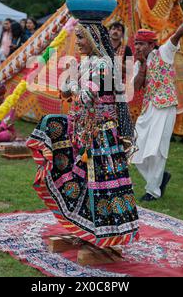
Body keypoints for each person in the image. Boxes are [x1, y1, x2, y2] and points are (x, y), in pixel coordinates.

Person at [27, 22, 139, 248]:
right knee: (53, 128)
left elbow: (87, 96)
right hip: (84, 131)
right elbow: (67, 92)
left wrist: (73, 84)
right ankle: (85, 227)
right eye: (76, 37)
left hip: (101, 133)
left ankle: (105, 234)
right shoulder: (85, 63)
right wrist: (70, 84)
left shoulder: (104, 65)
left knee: (101, 186)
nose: (76, 42)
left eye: (80, 38)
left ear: (93, 39)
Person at [132, 7, 183, 202]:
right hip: (148, 108)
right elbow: (136, 87)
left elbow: (176, 36)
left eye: (141, 44)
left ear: (151, 45)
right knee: (135, 149)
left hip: (165, 106)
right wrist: (142, 66)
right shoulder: (138, 63)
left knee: (156, 149)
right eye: (136, 44)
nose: (137, 47)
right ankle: (160, 178)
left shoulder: (163, 52)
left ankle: (152, 191)